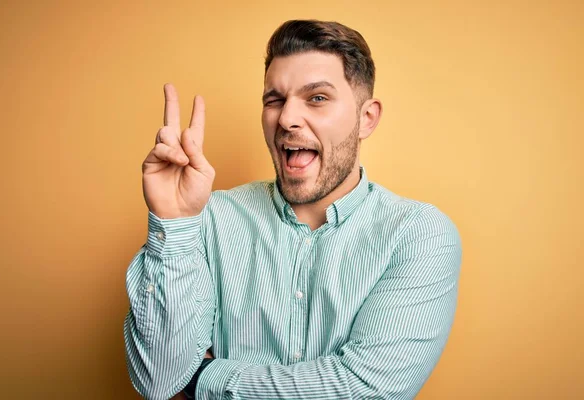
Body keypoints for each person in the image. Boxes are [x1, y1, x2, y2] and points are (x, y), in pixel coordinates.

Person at [124, 19, 462, 400]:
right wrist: (174, 223)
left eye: (317, 97)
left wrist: (203, 378)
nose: (286, 118)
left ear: (366, 118)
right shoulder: (208, 218)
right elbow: (160, 380)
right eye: (274, 100)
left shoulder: (417, 234)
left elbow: (365, 389)